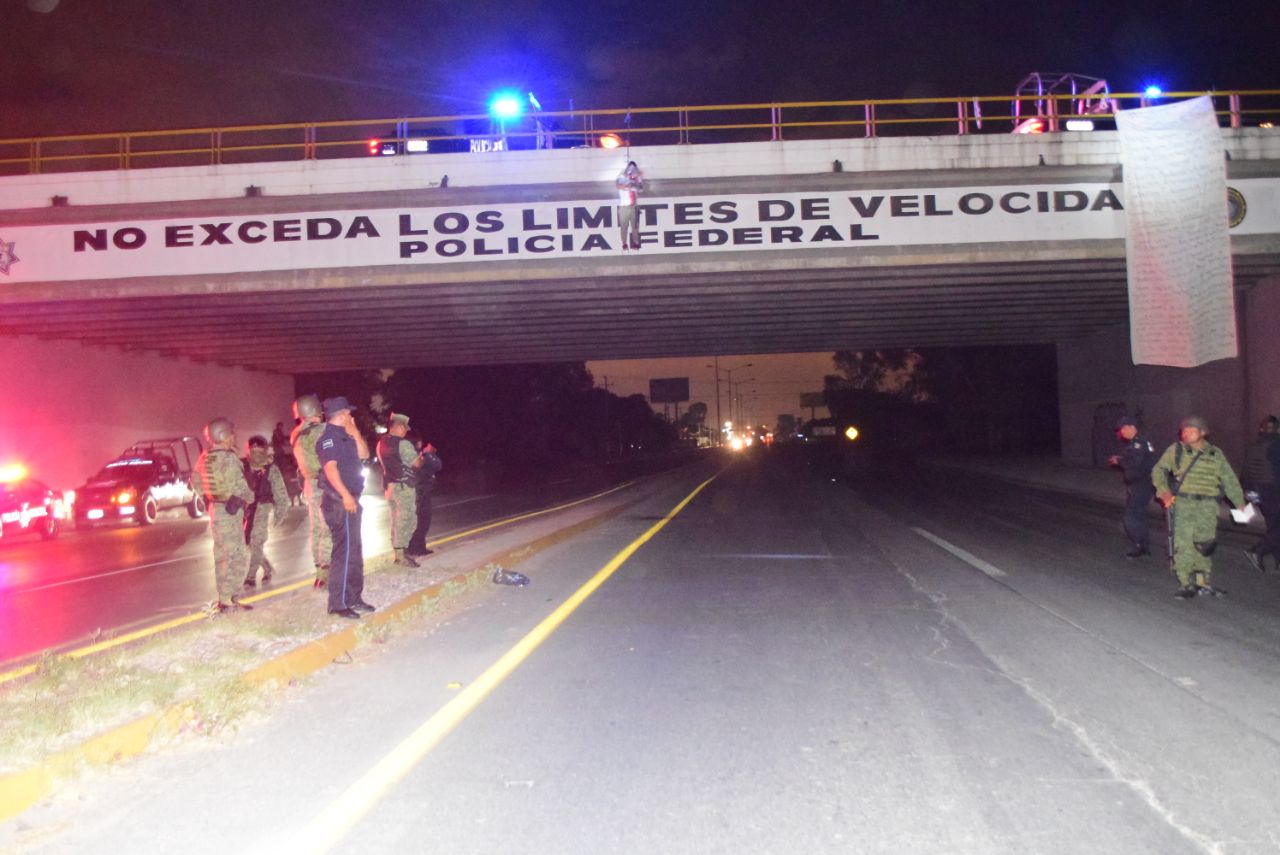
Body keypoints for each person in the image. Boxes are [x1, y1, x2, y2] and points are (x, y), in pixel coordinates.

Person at [1152, 415, 1248, 599]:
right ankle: (1186, 583)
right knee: (1184, 544)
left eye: (1191, 430)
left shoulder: (1215, 453)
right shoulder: (1177, 450)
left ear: (1203, 433)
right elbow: (1158, 470)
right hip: (1184, 504)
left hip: (1208, 506)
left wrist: (1240, 503)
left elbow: (1229, 479)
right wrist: (1164, 492)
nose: (1186, 434)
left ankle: (1203, 582)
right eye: (1184, 431)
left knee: (1205, 544)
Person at [190, 417, 256, 614]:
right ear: (222, 435)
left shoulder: (204, 457)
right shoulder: (229, 458)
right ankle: (229, 600)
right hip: (230, 511)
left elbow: (194, 481)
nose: (233, 437)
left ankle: (224, 598)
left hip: (216, 511)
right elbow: (241, 487)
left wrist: (207, 498)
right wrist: (251, 498)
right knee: (238, 555)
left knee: (221, 555)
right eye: (230, 433)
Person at [316, 396, 374, 619]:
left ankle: (353, 598)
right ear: (340, 415)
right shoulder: (328, 438)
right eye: (348, 413)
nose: (351, 416)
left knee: (354, 551)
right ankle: (337, 604)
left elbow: (365, 454)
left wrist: (356, 432)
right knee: (343, 552)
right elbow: (331, 470)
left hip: (351, 499)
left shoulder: (347, 435)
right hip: (339, 502)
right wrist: (346, 496)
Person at [291, 394, 331, 588]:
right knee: (328, 529)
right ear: (316, 411)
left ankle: (319, 569)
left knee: (316, 529)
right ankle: (326, 571)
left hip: (309, 484)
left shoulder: (296, 434)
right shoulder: (322, 431)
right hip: (325, 484)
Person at [376, 412, 427, 567]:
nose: (406, 431)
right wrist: (423, 456)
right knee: (408, 520)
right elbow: (416, 464)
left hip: (389, 487)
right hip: (403, 488)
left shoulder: (381, 444)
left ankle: (399, 552)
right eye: (405, 427)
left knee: (396, 521)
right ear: (397, 426)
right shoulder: (403, 444)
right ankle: (401, 555)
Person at [242, 435, 290, 588]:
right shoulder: (243, 466)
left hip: (263, 507)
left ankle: (250, 576)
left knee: (257, 541)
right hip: (246, 510)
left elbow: (281, 493)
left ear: (263, 450)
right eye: (252, 449)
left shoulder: (271, 469)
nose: (255, 452)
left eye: (258, 449)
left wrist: (280, 513)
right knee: (248, 542)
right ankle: (267, 568)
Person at [1107, 415, 1156, 558]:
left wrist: (1119, 460)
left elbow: (1135, 461)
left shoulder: (1139, 442)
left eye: (1122, 429)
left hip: (1141, 484)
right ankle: (1144, 545)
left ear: (1130, 427)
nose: (1121, 433)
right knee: (1139, 516)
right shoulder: (1137, 442)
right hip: (1138, 484)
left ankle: (1139, 544)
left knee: (1130, 517)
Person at [1242, 415, 1280, 572]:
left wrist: (1248, 492)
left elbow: (1245, 472)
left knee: (1274, 525)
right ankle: (1258, 551)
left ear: (1261, 429)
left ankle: (1278, 562)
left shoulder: (1253, 445)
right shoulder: (1276, 444)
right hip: (1272, 491)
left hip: (1255, 491)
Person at [405, 429, 443, 558]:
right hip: (420, 491)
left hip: (412, 490)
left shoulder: (406, 454)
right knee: (422, 521)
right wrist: (430, 453)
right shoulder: (419, 456)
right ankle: (417, 549)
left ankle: (413, 548)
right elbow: (438, 465)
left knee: (415, 521)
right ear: (418, 442)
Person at [615, 161, 643, 250]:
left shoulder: (636, 179)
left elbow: (640, 189)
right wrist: (630, 187)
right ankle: (624, 243)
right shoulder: (622, 177)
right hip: (624, 206)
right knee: (624, 226)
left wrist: (636, 181)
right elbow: (618, 186)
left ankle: (636, 243)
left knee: (635, 226)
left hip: (634, 206)